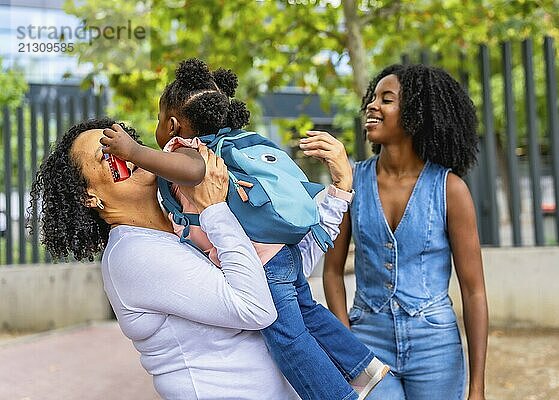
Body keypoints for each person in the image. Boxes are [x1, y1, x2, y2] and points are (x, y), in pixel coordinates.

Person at [99, 58, 388, 400]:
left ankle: (337, 395)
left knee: (289, 338)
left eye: (159, 121)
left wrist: (133, 150)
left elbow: (190, 172)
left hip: (265, 264)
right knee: (309, 312)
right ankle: (362, 366)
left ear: (173, 125)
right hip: (282, 254)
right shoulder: (232, 146)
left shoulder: (193, 154)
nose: (158, 130)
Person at [30, 116, 367, 399]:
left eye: (122, 141)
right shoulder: (132, 255)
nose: (126, 154)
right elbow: (257, 309)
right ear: (89, 197)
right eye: (107, 155)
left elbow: (278, 279)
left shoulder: (180, 220)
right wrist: (217, 209)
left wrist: (338, 192)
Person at [319, 64, 488, 400]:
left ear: (415, 114)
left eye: (387, 99)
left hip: (435, 345)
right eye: (372, 98)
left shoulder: (450, 189)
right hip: (368, 342)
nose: (372, 106)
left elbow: (474, 291)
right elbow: (332, 271)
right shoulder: (352, 183)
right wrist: (346, 345)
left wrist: (478, 387)